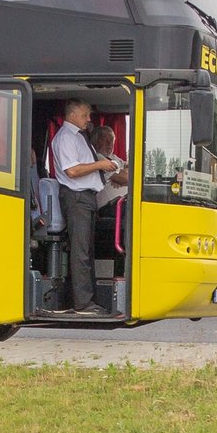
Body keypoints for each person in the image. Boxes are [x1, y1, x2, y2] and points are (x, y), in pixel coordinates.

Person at [50, 100, 118, 315]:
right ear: (71, 114)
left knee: (87, 251)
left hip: (86, 197)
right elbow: (72, 171)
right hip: (76, 197)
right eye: (85, 115)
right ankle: (82, 303)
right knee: (80, 252)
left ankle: (88, 301)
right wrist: (101, 164)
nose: (89, 119)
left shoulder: (78, 137)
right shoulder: (65, 138)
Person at [91, 125, 129, 211]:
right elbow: (127, 179)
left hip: (123, 202)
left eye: (112, 141)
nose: (110, 144)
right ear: (96, 141)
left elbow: (131, 167)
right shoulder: (97, 157)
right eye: (105, 140)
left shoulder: (114, 157)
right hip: (109, 207)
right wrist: (123, 177)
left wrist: (123, 172)